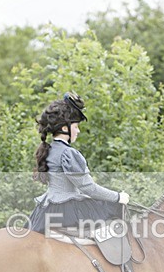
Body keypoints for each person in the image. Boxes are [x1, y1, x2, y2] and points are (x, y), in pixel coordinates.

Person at [27, 92, 130, 234]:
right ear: (65, 128)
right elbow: (89, 188)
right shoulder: (68, 154)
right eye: (76, 127)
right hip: (67, 210)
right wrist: (118, 197)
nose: (78, 131)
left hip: (48, 208)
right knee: (114, 217)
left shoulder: (49, 149)